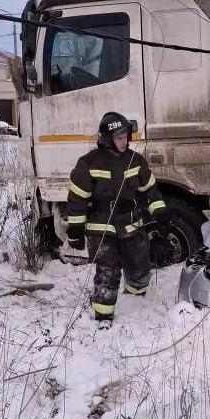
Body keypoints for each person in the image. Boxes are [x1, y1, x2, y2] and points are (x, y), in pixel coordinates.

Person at [65, 111, 169, 329]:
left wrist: (160, 213)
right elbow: (77, 199)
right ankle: (104, 316)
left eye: (126, 137)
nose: (124, 141)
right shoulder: (88, 163)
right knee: (107, 270)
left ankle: (136, 301)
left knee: (139, 266)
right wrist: (75, 230)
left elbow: (150, 190)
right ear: (106, 138)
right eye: (119, 137)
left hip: (131, 224)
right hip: (101, 227)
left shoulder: (135, 160)